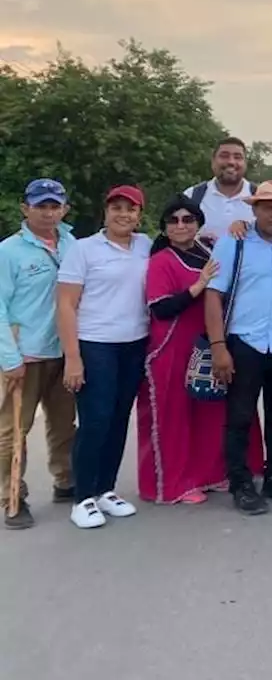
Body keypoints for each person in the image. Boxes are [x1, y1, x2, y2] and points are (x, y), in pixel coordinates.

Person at [137, 195, 263, 505]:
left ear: (198, 223)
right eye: (174, 220)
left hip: (206, 342)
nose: (181, 225)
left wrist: (240, 224)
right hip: (173, 346)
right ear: (164, 227)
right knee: (175, 417)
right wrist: (198, 286)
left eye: (188, 219)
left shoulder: (207, 248)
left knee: (211, 410)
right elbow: (161, 309)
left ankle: (210, 474)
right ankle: (173, 485)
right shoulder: (162, 260)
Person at [206, 180, 272, 516]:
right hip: (245, 342)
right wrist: (218, 347)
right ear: (254, 209)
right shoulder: (232, 242)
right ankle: (240, 484)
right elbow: (213, 296)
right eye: (268, 207)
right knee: (239, 416)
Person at [56, 186, 151, 529]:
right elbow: (66, 304)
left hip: (134, 344)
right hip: (95, 344)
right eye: (117, 208)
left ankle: (105, 490)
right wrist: (73, 357)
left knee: (118, 419)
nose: (123, 214)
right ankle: (82, 498)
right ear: (106, 212)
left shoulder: (145, 246)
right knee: (95, 420)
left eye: (131, 209)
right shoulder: (83, 250)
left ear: (140, 215)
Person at [0, 179, 77, 529]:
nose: (48, 212)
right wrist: (9, 358)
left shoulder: (73, 243)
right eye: (41, 205)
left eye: (54, 206)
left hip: (62, 351)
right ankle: (12, 495)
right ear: (25, 208)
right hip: (24, 355)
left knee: (63, 425)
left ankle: (65, 481)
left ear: (64, 209)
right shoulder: (9, 251)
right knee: (13, 430)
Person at [184, 137, 256, 242]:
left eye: (237, 157)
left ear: (245, 163)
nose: (231, 162)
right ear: (213, 161)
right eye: (224, 156)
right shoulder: (192, 196)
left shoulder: (260, 197)